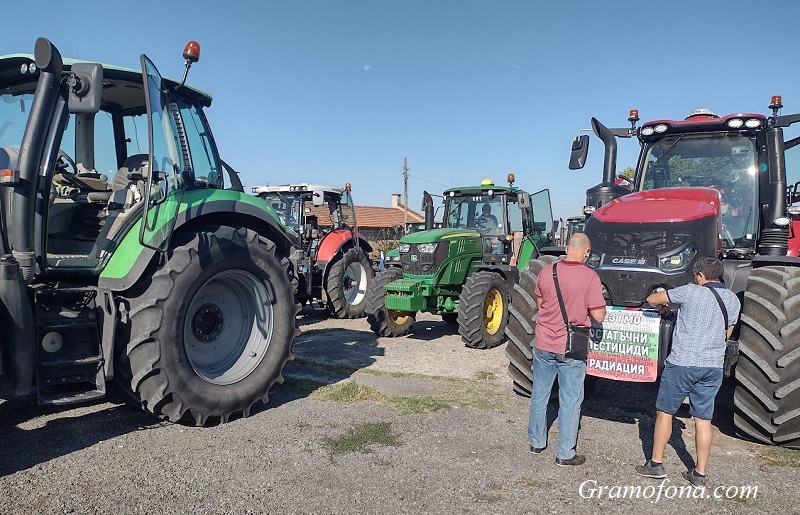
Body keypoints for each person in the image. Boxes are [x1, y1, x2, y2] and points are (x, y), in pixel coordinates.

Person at [636, 256, 740, 486]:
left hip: (682, 362)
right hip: (712, 366)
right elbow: (728, 332)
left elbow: (652, 298)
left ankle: (655, 464)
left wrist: (664, 307)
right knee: (703, 420)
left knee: (665, 412)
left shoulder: (690, 291)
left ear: (700, 275)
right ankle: (699, 474)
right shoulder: (732, 299)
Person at [528, 233, 606, 466]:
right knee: (570, 400)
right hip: (571, 348)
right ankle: (565, 454)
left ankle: (536, 442)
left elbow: (541, 304)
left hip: (543, 343)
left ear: (565, 247)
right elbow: (599, 314)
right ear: (586, 252)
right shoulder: (590, 277)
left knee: (540, 394)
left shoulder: (546, 271)